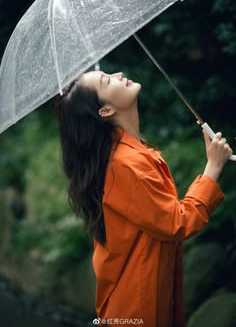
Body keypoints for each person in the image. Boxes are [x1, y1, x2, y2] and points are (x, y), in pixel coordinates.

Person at [56, 71, 232, 327]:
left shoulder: (129, 153)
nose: (118, 74)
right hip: (137, 309)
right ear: (105, 111)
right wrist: (213, 167)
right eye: (107, 80)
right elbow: (176, 222)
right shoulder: (126, 164)